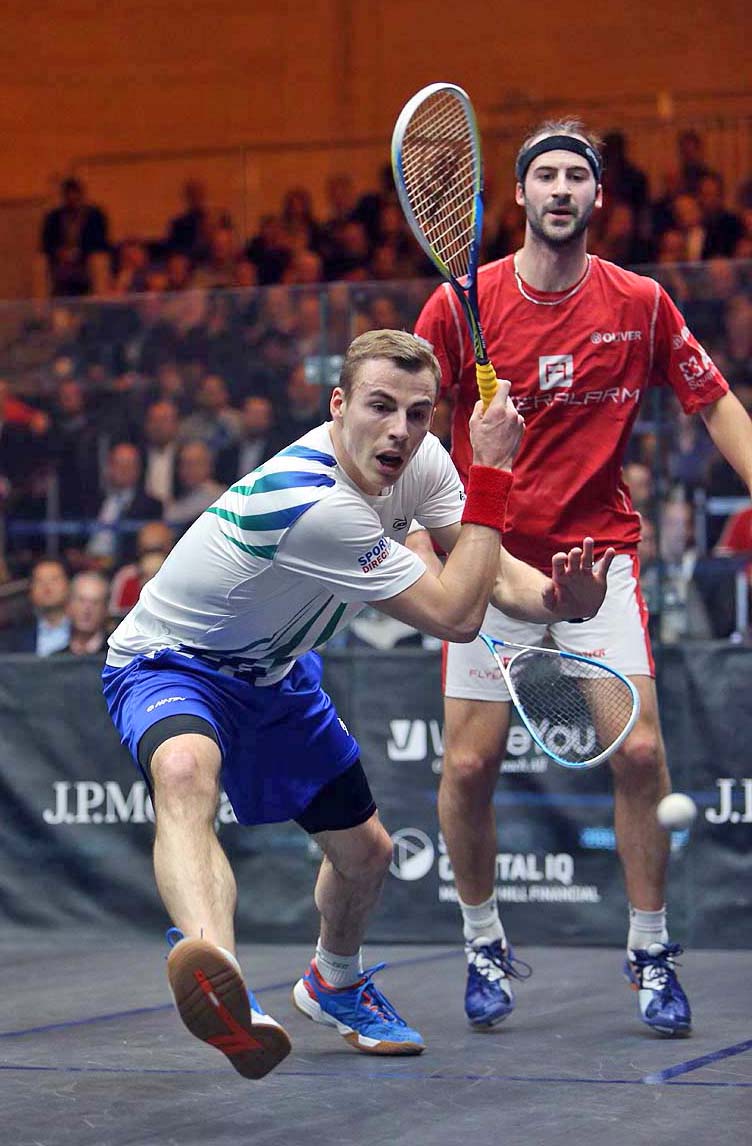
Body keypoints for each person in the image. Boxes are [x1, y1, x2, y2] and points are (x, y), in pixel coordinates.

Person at [101, 329, 613, 1080]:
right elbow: (455, 615)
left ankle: (334, 983)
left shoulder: (422, 464)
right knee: (183, 770)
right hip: (171, 663)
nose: (400, 430)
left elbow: (492, 572)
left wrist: (560, 599)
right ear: (338, 404)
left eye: (418, 413)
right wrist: (495, 470)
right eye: (380, 406)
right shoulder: (312, 502)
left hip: (276, 674)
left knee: (367, 855)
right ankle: (219, 979)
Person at [413, 120, 752, 1038]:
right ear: (521, 195)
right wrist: (421, 532)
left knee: (638, 755)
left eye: (576, 176)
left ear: (598, 197)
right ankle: (483, 941)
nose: (561, 188)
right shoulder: (459, 306)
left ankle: (651, 950)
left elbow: (714, 401)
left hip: (597, 563)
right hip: (489, 561)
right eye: (546, 175)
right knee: (469, 766)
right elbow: (410, 427)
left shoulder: (640, 302)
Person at [57, 571, 111, 656]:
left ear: (105, 609)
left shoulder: (120, 657)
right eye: (81, 601)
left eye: (95, 602)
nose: (87, 610)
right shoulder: (55, 659)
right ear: (68, 606)